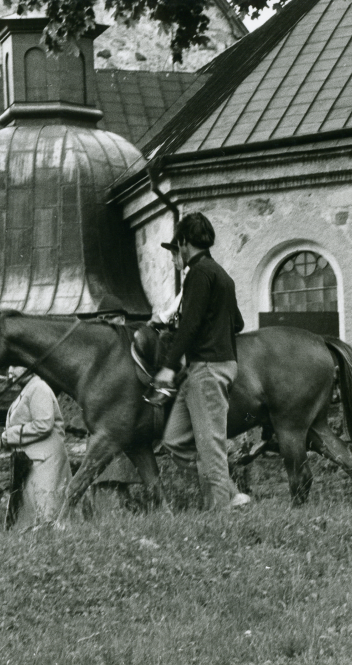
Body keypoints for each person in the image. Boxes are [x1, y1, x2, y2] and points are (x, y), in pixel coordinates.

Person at [153, 212, 249, 511]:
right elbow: (238, 323)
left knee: (210, 446)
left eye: (176, 247)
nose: (176, 255)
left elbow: (190, 326)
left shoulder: (198, 274)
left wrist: (168, 366)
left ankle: (220, 510)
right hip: (211, 366)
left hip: (208, 368)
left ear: (183, 243)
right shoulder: (222, 275)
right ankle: (230, 494)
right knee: (175, 440)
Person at [1, 366, 72, 530]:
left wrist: (11, 435)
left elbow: (44, 424)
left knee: (47, 518)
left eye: (16, 366)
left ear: (30, 366)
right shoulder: (29, 389)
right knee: (35, 520)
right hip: (35, 460)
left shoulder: (39, 388)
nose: (10, 370)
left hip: (46, 463)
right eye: (9, 366)